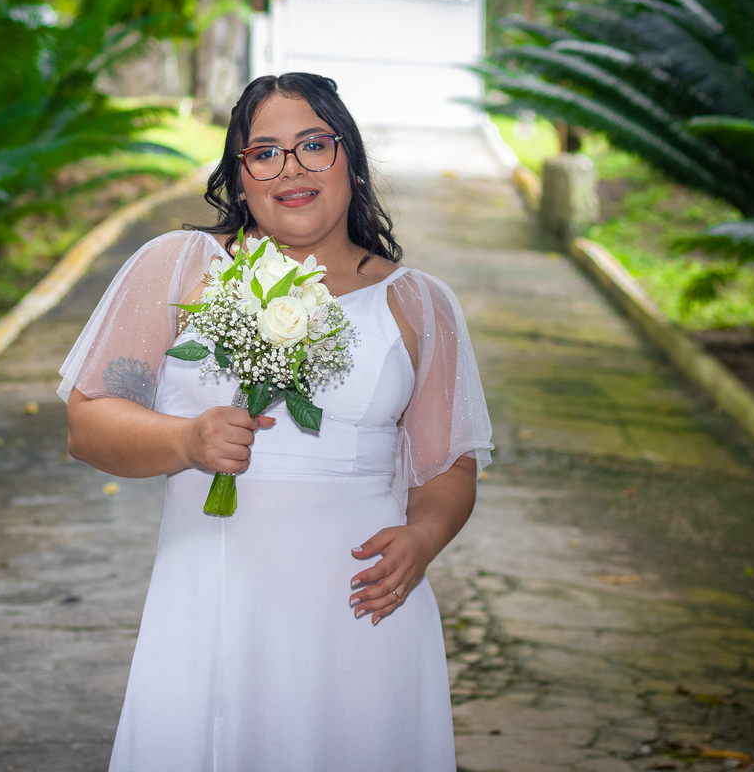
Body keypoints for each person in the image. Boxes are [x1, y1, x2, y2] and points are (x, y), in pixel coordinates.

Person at [58, 72, 493, 771]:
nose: (290, 169)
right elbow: (88, 427)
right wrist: (186, 440)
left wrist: (424, 536)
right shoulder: (179, 269)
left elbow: (451, 466)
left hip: (361, 614)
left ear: (349, 156)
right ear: (240, 175)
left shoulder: (418, 304)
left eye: (313, 145)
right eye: (264, 152)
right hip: (215, 602)